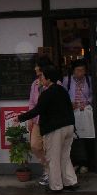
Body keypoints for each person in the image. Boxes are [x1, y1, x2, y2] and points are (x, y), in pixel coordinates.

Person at [17, 65, 77, 194]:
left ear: (49, 79)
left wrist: (20, 118)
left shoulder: (47, 93)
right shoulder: (62, 90)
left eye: (42, 76)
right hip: (69, 126)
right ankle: (70, 182)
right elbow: (69, 107)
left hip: (55, 129)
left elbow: (37, 110)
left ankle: (56, 186)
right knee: (65, 156)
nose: (40, 79)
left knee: (52, 158)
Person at [64, 59, 94, 174]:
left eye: (82, 70)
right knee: (73, 138)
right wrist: (69, 104)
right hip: (72, 112)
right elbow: (63, 95)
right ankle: (75, 162)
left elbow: (93, 94)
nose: (80, 73)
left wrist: (87, 103)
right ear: (73, 71)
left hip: (85, 112)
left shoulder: (89, 80)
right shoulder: (67, 80)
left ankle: (86, 163)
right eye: (78, 70)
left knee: (86, 137)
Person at [27, 55, 53, 186]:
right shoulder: (35, 84)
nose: (35, 68)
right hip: (37, 120)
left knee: (50, 147)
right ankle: (47, 168)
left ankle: (51, 173)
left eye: (37, 66)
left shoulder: (54, 83)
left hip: (51, 121)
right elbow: (32, 102)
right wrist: (30, 118)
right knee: (35, 145)